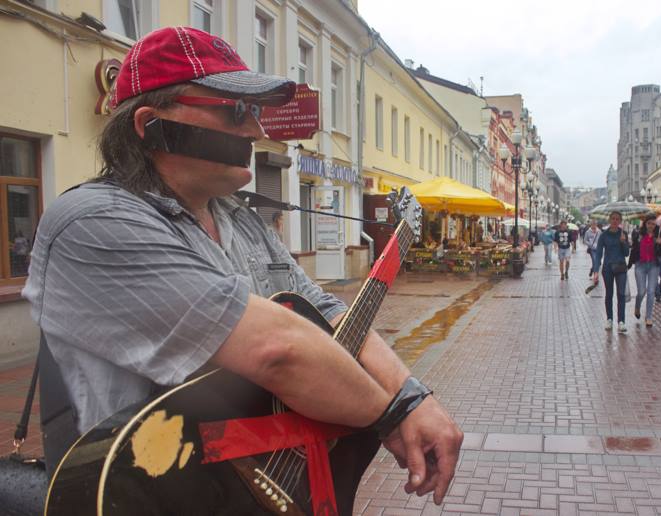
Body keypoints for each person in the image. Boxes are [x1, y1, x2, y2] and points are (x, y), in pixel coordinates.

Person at [22, 27, 462, 504]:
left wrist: (412, 393)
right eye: (235, 111)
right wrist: (395, 414)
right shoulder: (93, 221)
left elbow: (327, 313)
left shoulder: (241, 219)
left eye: (255, 112)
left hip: (246, 485)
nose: (256, 130)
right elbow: (279, 351)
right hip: (144, 498)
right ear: (150, 124)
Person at [592, 211, 630, 333]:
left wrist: (623, 242)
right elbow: (598, 253)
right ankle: (609, 319)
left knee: (621, 294)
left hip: (620, 268)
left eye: (617, 219)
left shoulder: (623, 234)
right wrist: (596, 270)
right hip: (608, 268)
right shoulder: (604, 235)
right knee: (609, 294)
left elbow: (626, 253)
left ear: (620, 221)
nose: (615, 221)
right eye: (613, 218)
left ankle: (621, 321)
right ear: (609, 220)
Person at [628, 215, 661, 327]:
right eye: (649, 223)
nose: (651, 226)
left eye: (653, 224)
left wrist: (659, 244)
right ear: (645, 224)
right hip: (640, 265)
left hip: (653, 266)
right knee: (642, 291)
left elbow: (660, 254)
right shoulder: (638, 234)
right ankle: (637, 306)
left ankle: (649, 317)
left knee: (651, 291)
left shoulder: (658, 236)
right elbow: (633, 249)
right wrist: (629, 264)